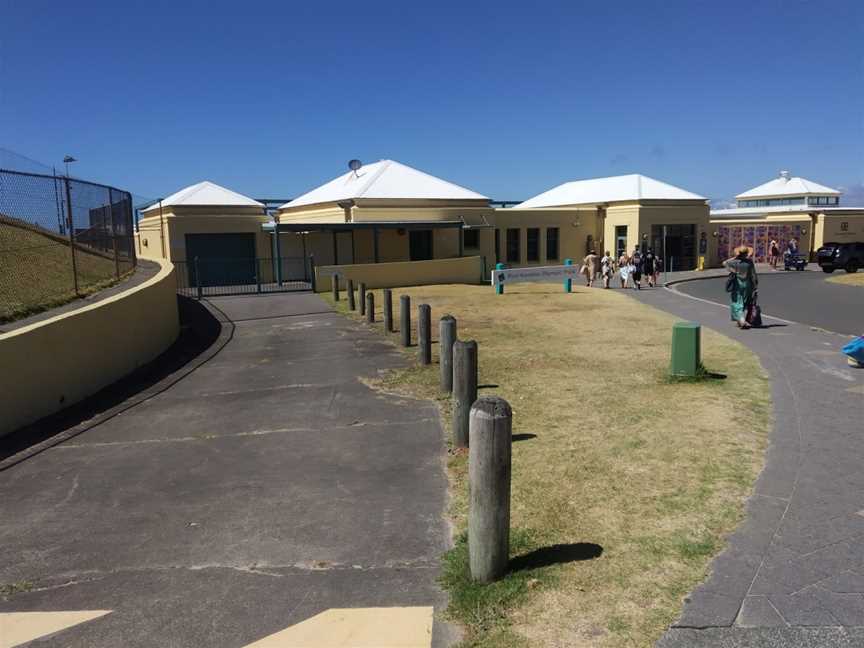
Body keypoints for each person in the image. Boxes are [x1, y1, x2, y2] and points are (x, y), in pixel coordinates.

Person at [723, 245, 758, 329]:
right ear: (746, 254)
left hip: (737, 285)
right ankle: (740, 321)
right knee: (744, 302)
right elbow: (753, 275)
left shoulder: (734, 262)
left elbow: (724, 263)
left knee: (737, 303)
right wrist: (755, 286)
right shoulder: (749, 262)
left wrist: (734, 257)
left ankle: (741, 321)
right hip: (748, 285)